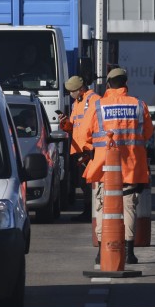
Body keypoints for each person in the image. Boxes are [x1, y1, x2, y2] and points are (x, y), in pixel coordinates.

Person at [83, 67, 153, 264]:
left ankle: (101, 252)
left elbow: (86, 135)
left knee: (103, 207)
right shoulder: (139, 105)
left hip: (104, 168)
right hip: (131, 168)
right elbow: (147, 133)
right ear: (126, 84)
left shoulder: (98, 106)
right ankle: (129, 252)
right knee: (129, 207)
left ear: (108, 85)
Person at [62, 75, 100, 222]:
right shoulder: (77, 103)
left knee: (89, 182)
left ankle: (90, 211)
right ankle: (89, 210)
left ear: (80, 89)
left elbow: (96, 125)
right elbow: (73, 127)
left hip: (88, 149)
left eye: (72, 91)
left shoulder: (94, 100)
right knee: (84, 183)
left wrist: (92, 148)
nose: (70, 94)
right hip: (79, 149)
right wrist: (65, 123)